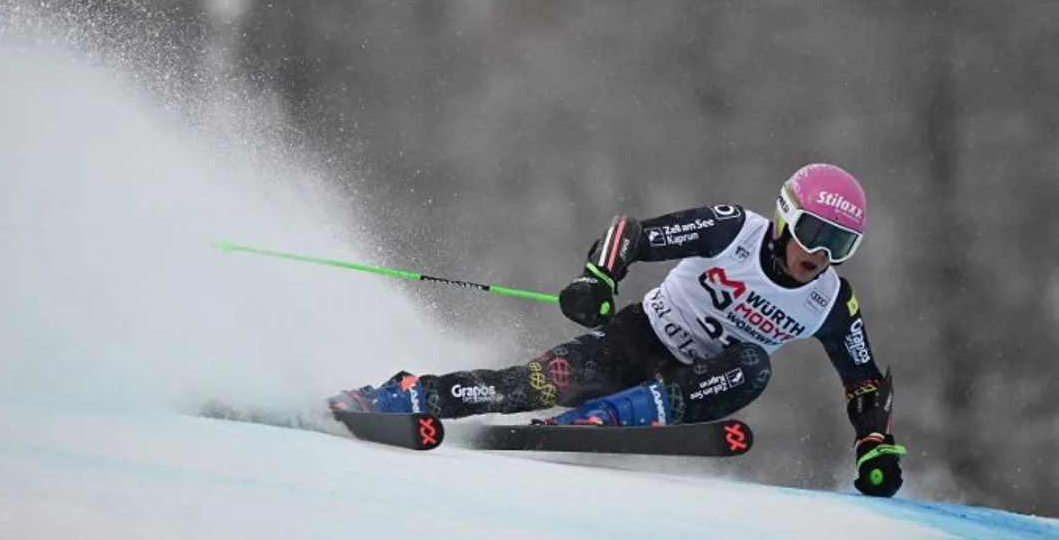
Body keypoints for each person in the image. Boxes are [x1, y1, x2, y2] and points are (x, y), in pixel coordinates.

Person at [326, 163, 907, 497]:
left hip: (691, 387)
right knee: (530, 384)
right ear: (784, 216)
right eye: (812, 232)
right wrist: (598, 279)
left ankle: (617, 416)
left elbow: (862, 379)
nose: (819, 254)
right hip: (635, 341)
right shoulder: (734, 231)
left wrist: (872, 444)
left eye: (839, 245)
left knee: (755, 364)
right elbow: (634, 234)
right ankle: (405, 395)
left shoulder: (831, 300)